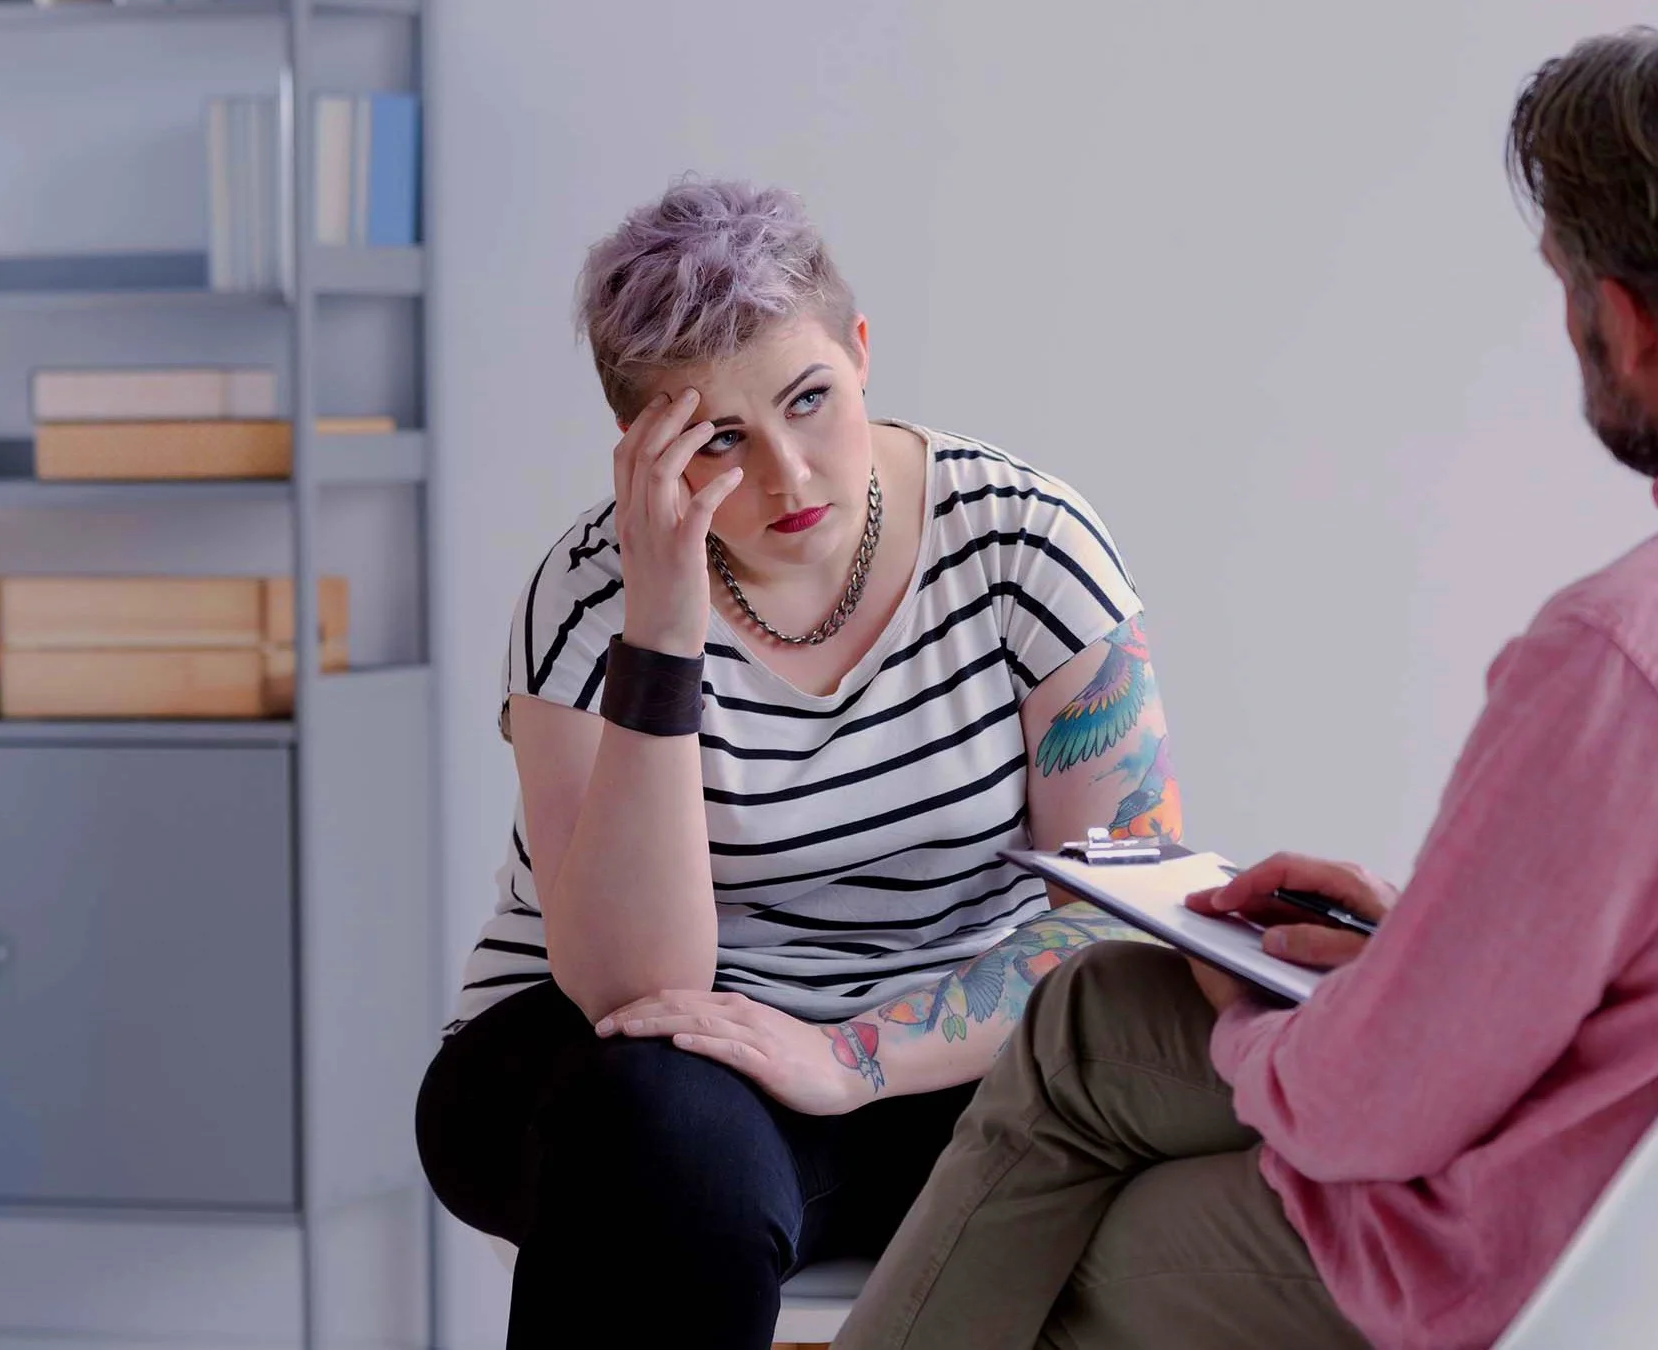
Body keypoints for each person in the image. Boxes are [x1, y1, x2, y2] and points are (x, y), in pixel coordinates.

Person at [836, 16, 1658, 1350]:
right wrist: (1429, 937)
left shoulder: (1640, 651)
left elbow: (1365, 1108)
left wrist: (1252, 1003)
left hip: (1570, 1269)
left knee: (1085, 1231)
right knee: (1099, 1015)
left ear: (1619, 319)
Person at [413, 177, 1182, 1347]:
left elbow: (1122, 914)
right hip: (619, 1063)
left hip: (941, 1048)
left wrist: (851, 1054)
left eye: (809, 400)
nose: (788, 476)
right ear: (643, 451)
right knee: (657, 1144)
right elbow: (630, 987)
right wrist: (663, 626)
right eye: (719, 437)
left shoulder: (1028, 545)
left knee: (1197, 1138)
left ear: (861, 353)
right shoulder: (584, 598)